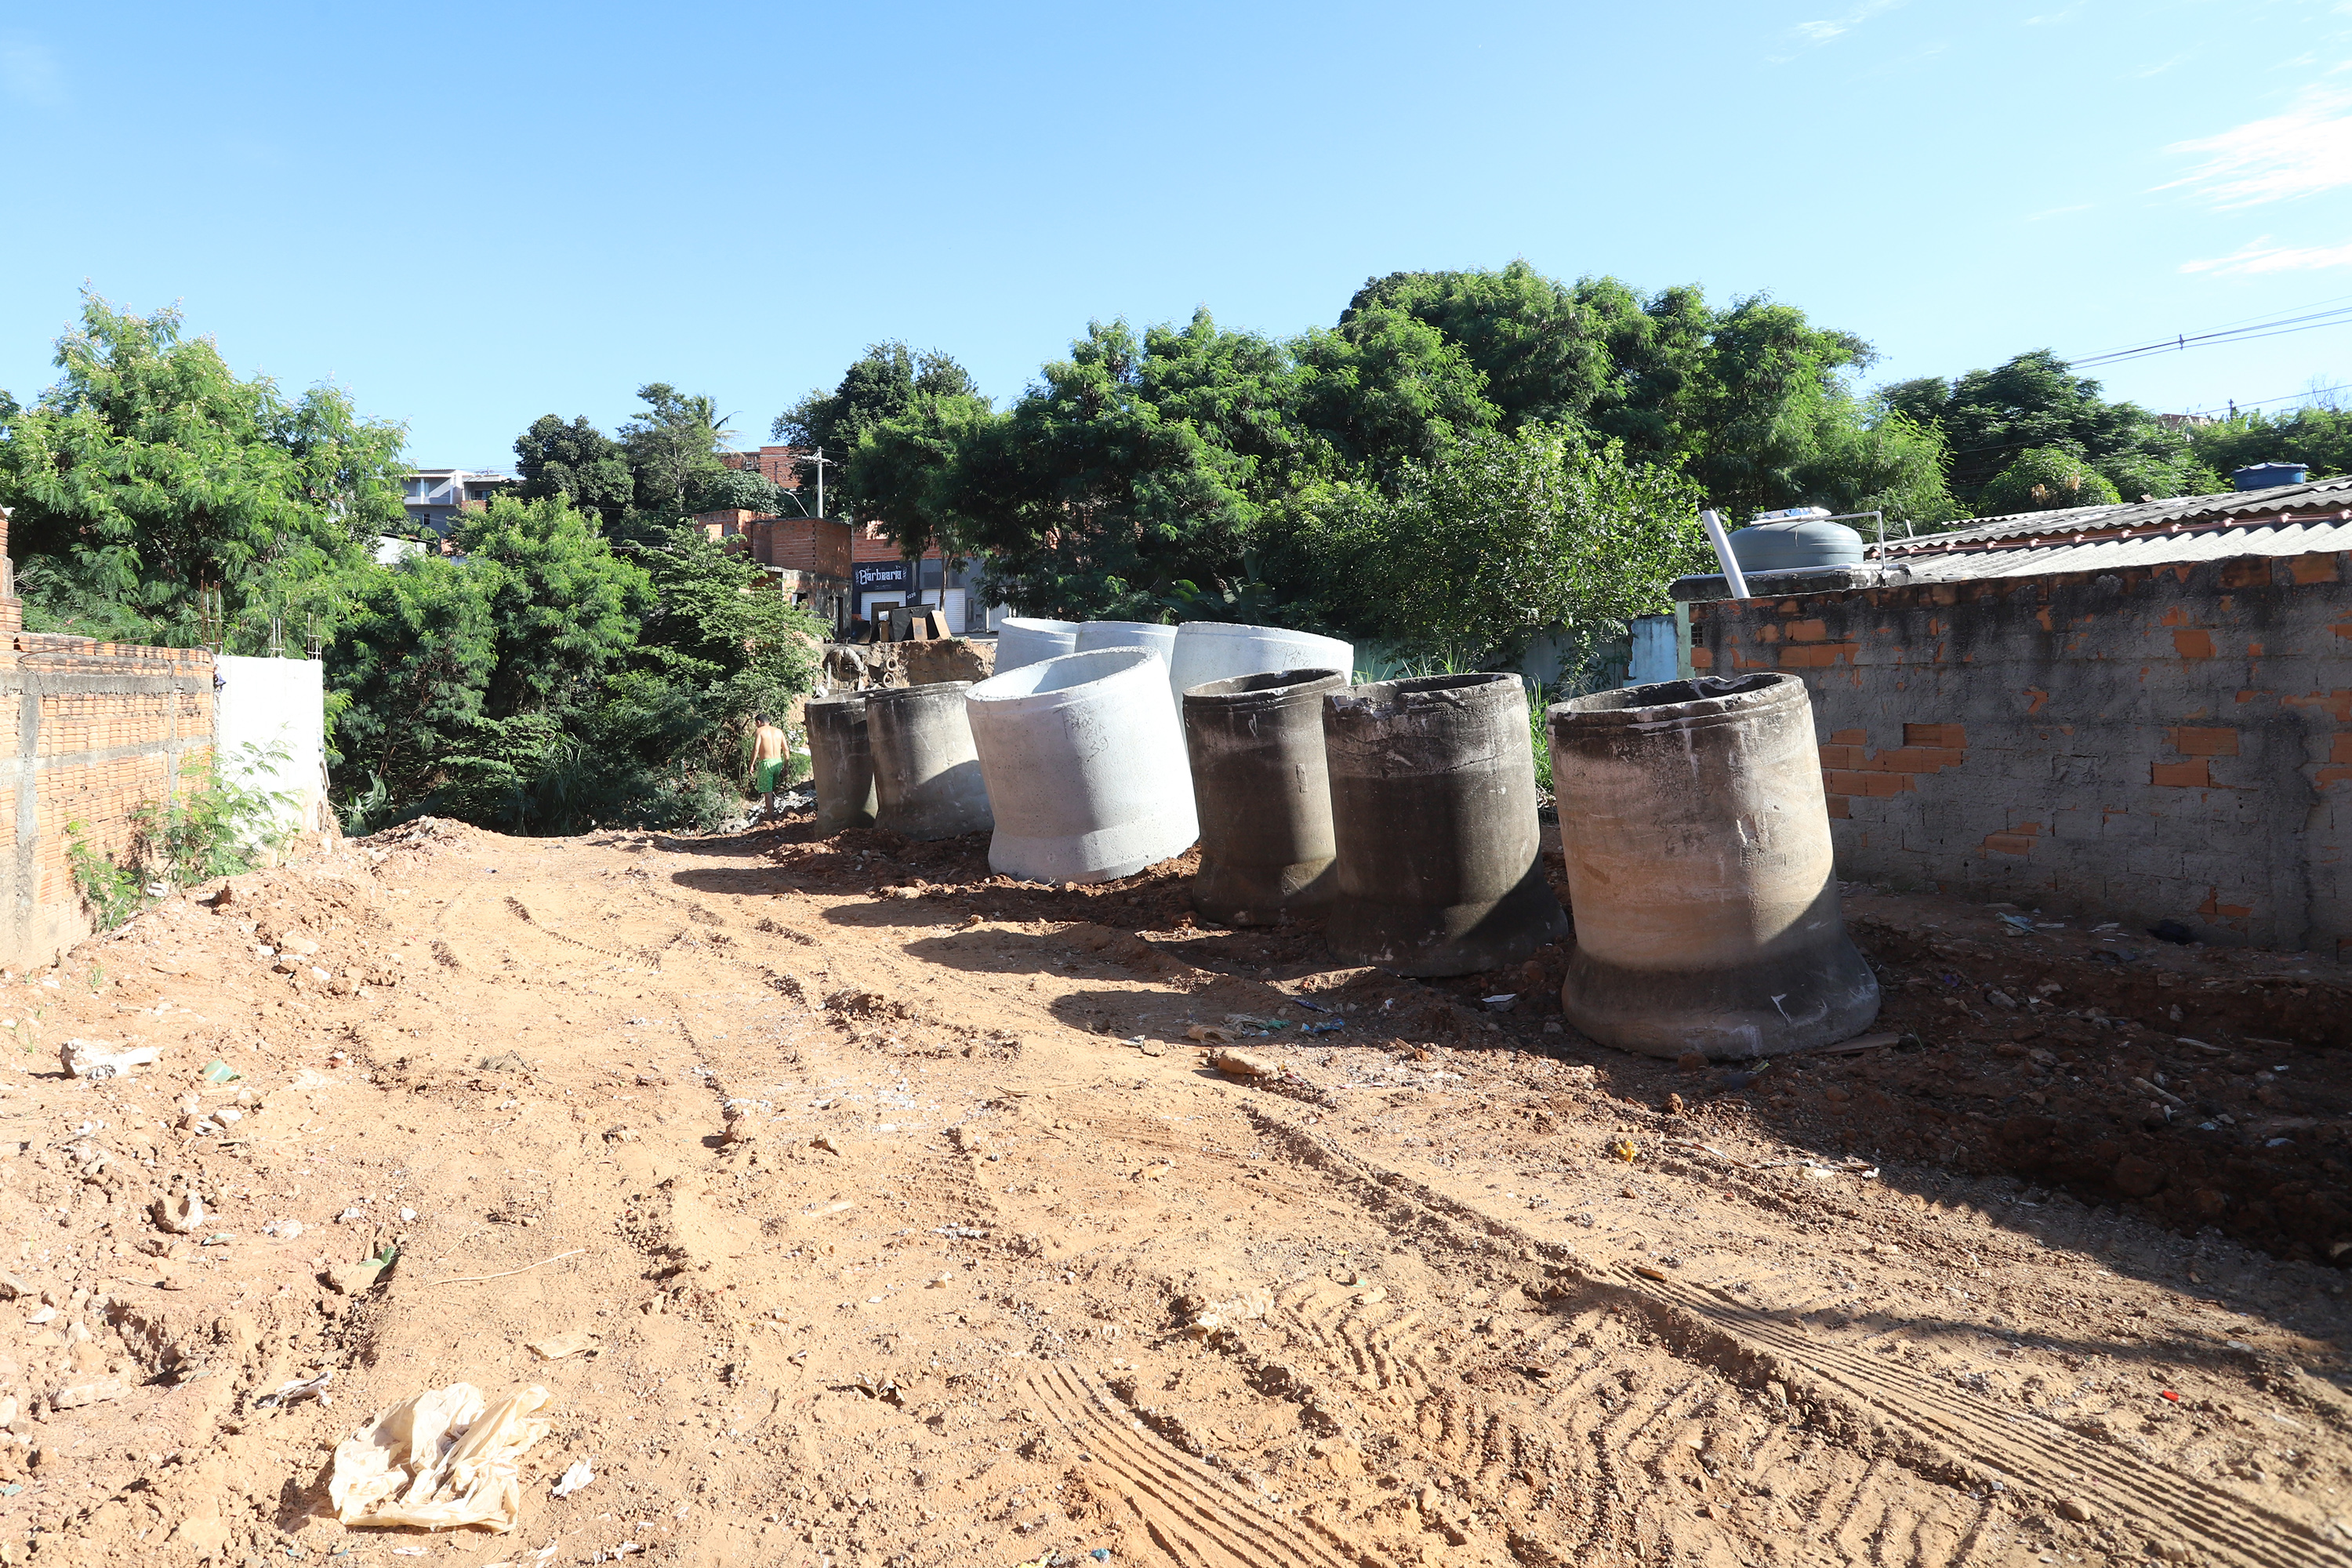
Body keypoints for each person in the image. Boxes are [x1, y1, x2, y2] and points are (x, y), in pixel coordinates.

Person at [750, 713, 789, 819]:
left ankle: (771, 816)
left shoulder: (760, 731)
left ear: (758, 722)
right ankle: (773, 812)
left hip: (766, 763)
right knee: (772, 789)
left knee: (768, 792)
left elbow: (756, 749)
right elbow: (786, 750)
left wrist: (752, 764)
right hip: (778, 762)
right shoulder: (779, 731)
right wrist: (786, 766)